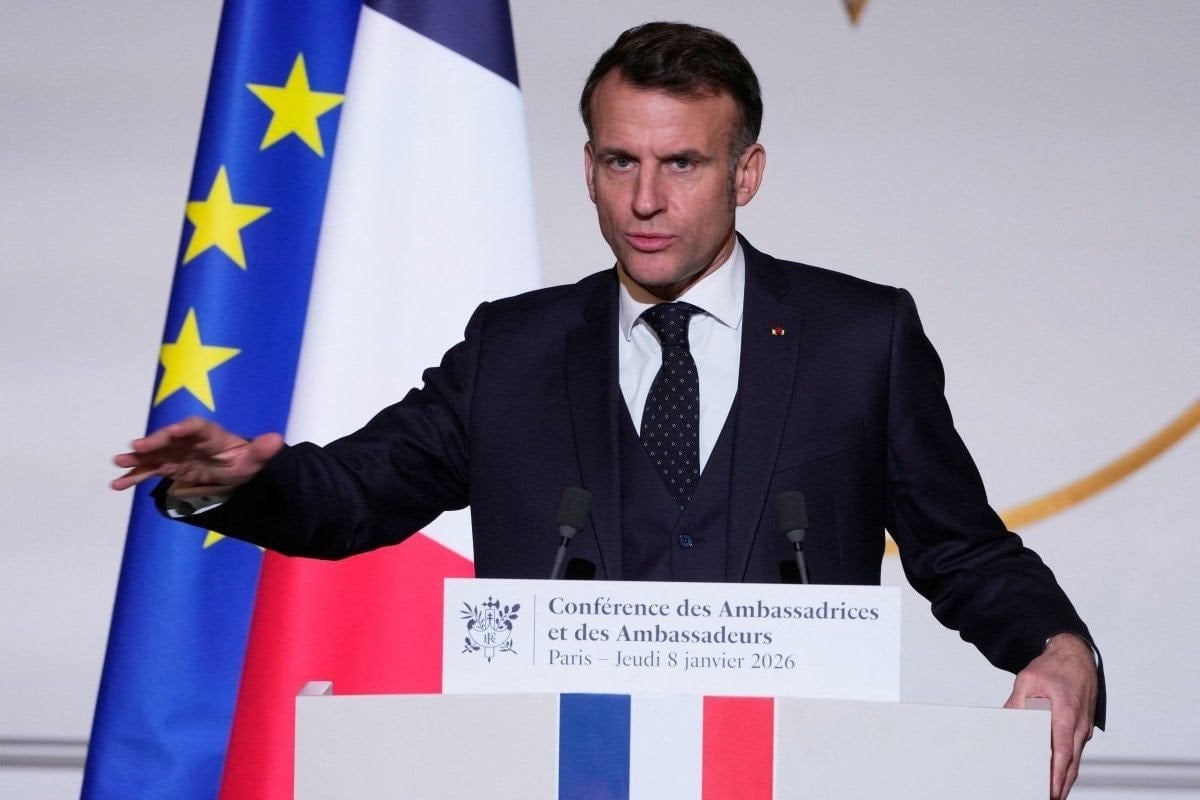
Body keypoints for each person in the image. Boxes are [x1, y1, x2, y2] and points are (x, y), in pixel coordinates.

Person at [113, 22, 1101, 799]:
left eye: (683, 164)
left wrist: (1060, 649)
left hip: (794, 776)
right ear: (588, 167)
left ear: (746, 173)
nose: (645, 200)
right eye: (621, 162)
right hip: (556, 778)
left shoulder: (859, 339)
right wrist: (234, 484)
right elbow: (356, 492)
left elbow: (961, 548)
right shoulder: (514, 348)